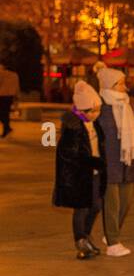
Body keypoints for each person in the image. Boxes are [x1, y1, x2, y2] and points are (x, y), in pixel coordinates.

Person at [93, 65, 134, 257]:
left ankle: (111, 232)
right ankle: (113, 242)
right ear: (110, 85)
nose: (125, 87)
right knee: (112, 202)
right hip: (108, 161)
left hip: (128, 160)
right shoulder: (99, 106)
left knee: (126, 201)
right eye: (121, 83)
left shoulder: (129, 104)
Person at [54, 81, 107, 260]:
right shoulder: (73, 127)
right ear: (82, 110)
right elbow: (69, 154)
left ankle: (86, 235)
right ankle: (80, 241)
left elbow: (99, 144)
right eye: (93, 111)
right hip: (78, 175)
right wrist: (94, 162)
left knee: (96, 205)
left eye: (98, 110)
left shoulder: (94, 124)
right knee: (82, 208)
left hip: (94, 172)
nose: (97, 114)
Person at [0, 61, 18, 137]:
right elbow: (17, 86)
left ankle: (6, 128)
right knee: (6, 112)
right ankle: (7, 128)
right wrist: (16, 96)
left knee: (2, 113)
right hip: (10, 96)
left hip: (2, 95)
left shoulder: (2, 74)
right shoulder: (15, 75)